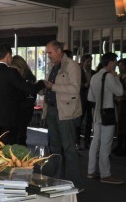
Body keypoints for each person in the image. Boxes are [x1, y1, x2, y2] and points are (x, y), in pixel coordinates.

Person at [0, 44, 44, 145]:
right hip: (8, 120)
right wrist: (42, 83)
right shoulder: (11, 72)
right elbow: (29, 89)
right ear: (9, 55)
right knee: (8, 151)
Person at [41, 40, 84, 189]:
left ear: (59, 51)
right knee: (55, 148)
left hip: (66, 113)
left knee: (69, 149)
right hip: (52, 110)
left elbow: (75, 89)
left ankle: (75, 184)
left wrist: (52, 86)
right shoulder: (53, 66)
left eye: (50, 52)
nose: (48, 56)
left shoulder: (71, 66)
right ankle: (56, 181)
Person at [86, 52, 124, 184]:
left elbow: (90, 98)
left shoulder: (95, 76)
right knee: (106, 145)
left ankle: (91, 171)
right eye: (115, 61)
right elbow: (120, 91)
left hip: (97, 113)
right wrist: (116, 77)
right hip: (107, 113)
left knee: (95, 142)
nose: (116, 64)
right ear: (111, 62)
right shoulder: (109, 76)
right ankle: (105, 174)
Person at [10, 55, 37, 146]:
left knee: (19, 137)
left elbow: (29, 100)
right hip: (18, 113)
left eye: (14, 69)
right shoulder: (20, 79)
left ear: (21, 67)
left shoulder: (28, 81)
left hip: (23, 113)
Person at [78, 54, 95, 148]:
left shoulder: (94, 73)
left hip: (91, 100)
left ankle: (87, 141)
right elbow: (76, 86)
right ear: (83, 62)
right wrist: (85, 85)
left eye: (90, 62)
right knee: (79, 121)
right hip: (81, 100)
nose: (89, 63)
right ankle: (77, 141)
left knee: (89, 121)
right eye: (87, 61)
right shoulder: (78, 72)